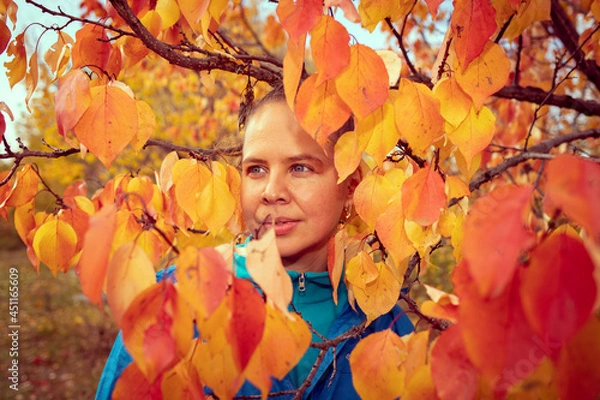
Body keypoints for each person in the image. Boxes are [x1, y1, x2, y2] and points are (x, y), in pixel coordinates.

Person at [95, 87, 414, 399]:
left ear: (350, 184)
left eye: (300, 167)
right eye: (256, 169)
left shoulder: (383, 324)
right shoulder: (170, 303)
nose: (271, 191)